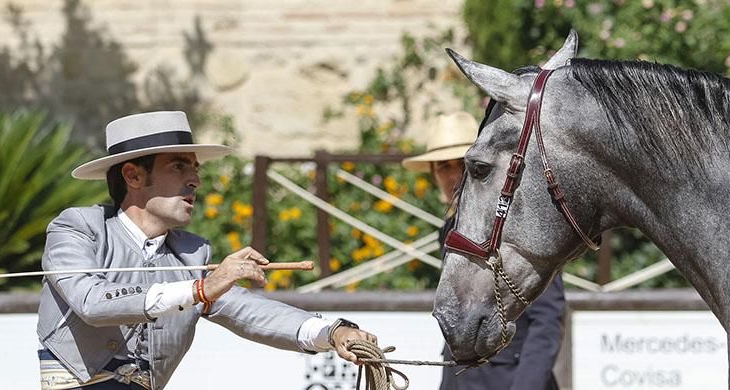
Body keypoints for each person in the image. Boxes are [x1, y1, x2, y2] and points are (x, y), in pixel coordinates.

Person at [36, 111, 377, 390]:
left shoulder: (191, 254)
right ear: (133, 176)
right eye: (178, 166)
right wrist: (199, 289)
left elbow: (250, 312)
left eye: (195, 169)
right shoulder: (78, 228)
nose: (195, 181)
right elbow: (92, 302)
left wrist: (333, 332)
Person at [402, 111, 565, 390]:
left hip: (512, 380)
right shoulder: (449, 229)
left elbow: (547, 318)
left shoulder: (515, 224)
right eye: (443, 166)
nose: (453, 175)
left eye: (461, 164)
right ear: (432, 174)